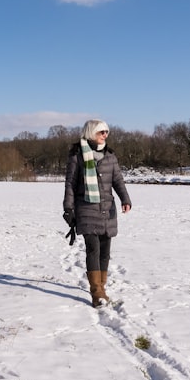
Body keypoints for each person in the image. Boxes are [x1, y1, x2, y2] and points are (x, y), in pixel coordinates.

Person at [63, 119, 132, 307]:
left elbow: (118, 180)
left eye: (107, 132)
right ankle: (97, 293)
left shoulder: (110, 155)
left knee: (105, 250)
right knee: (93, 248)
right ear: (90, 133)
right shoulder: (77, 155)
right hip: (86, 208)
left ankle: (102, 285)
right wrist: (68, 208)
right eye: (101, 132)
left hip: (107, 209)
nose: (105, 135)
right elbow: (70, 183)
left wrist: (125, 199)